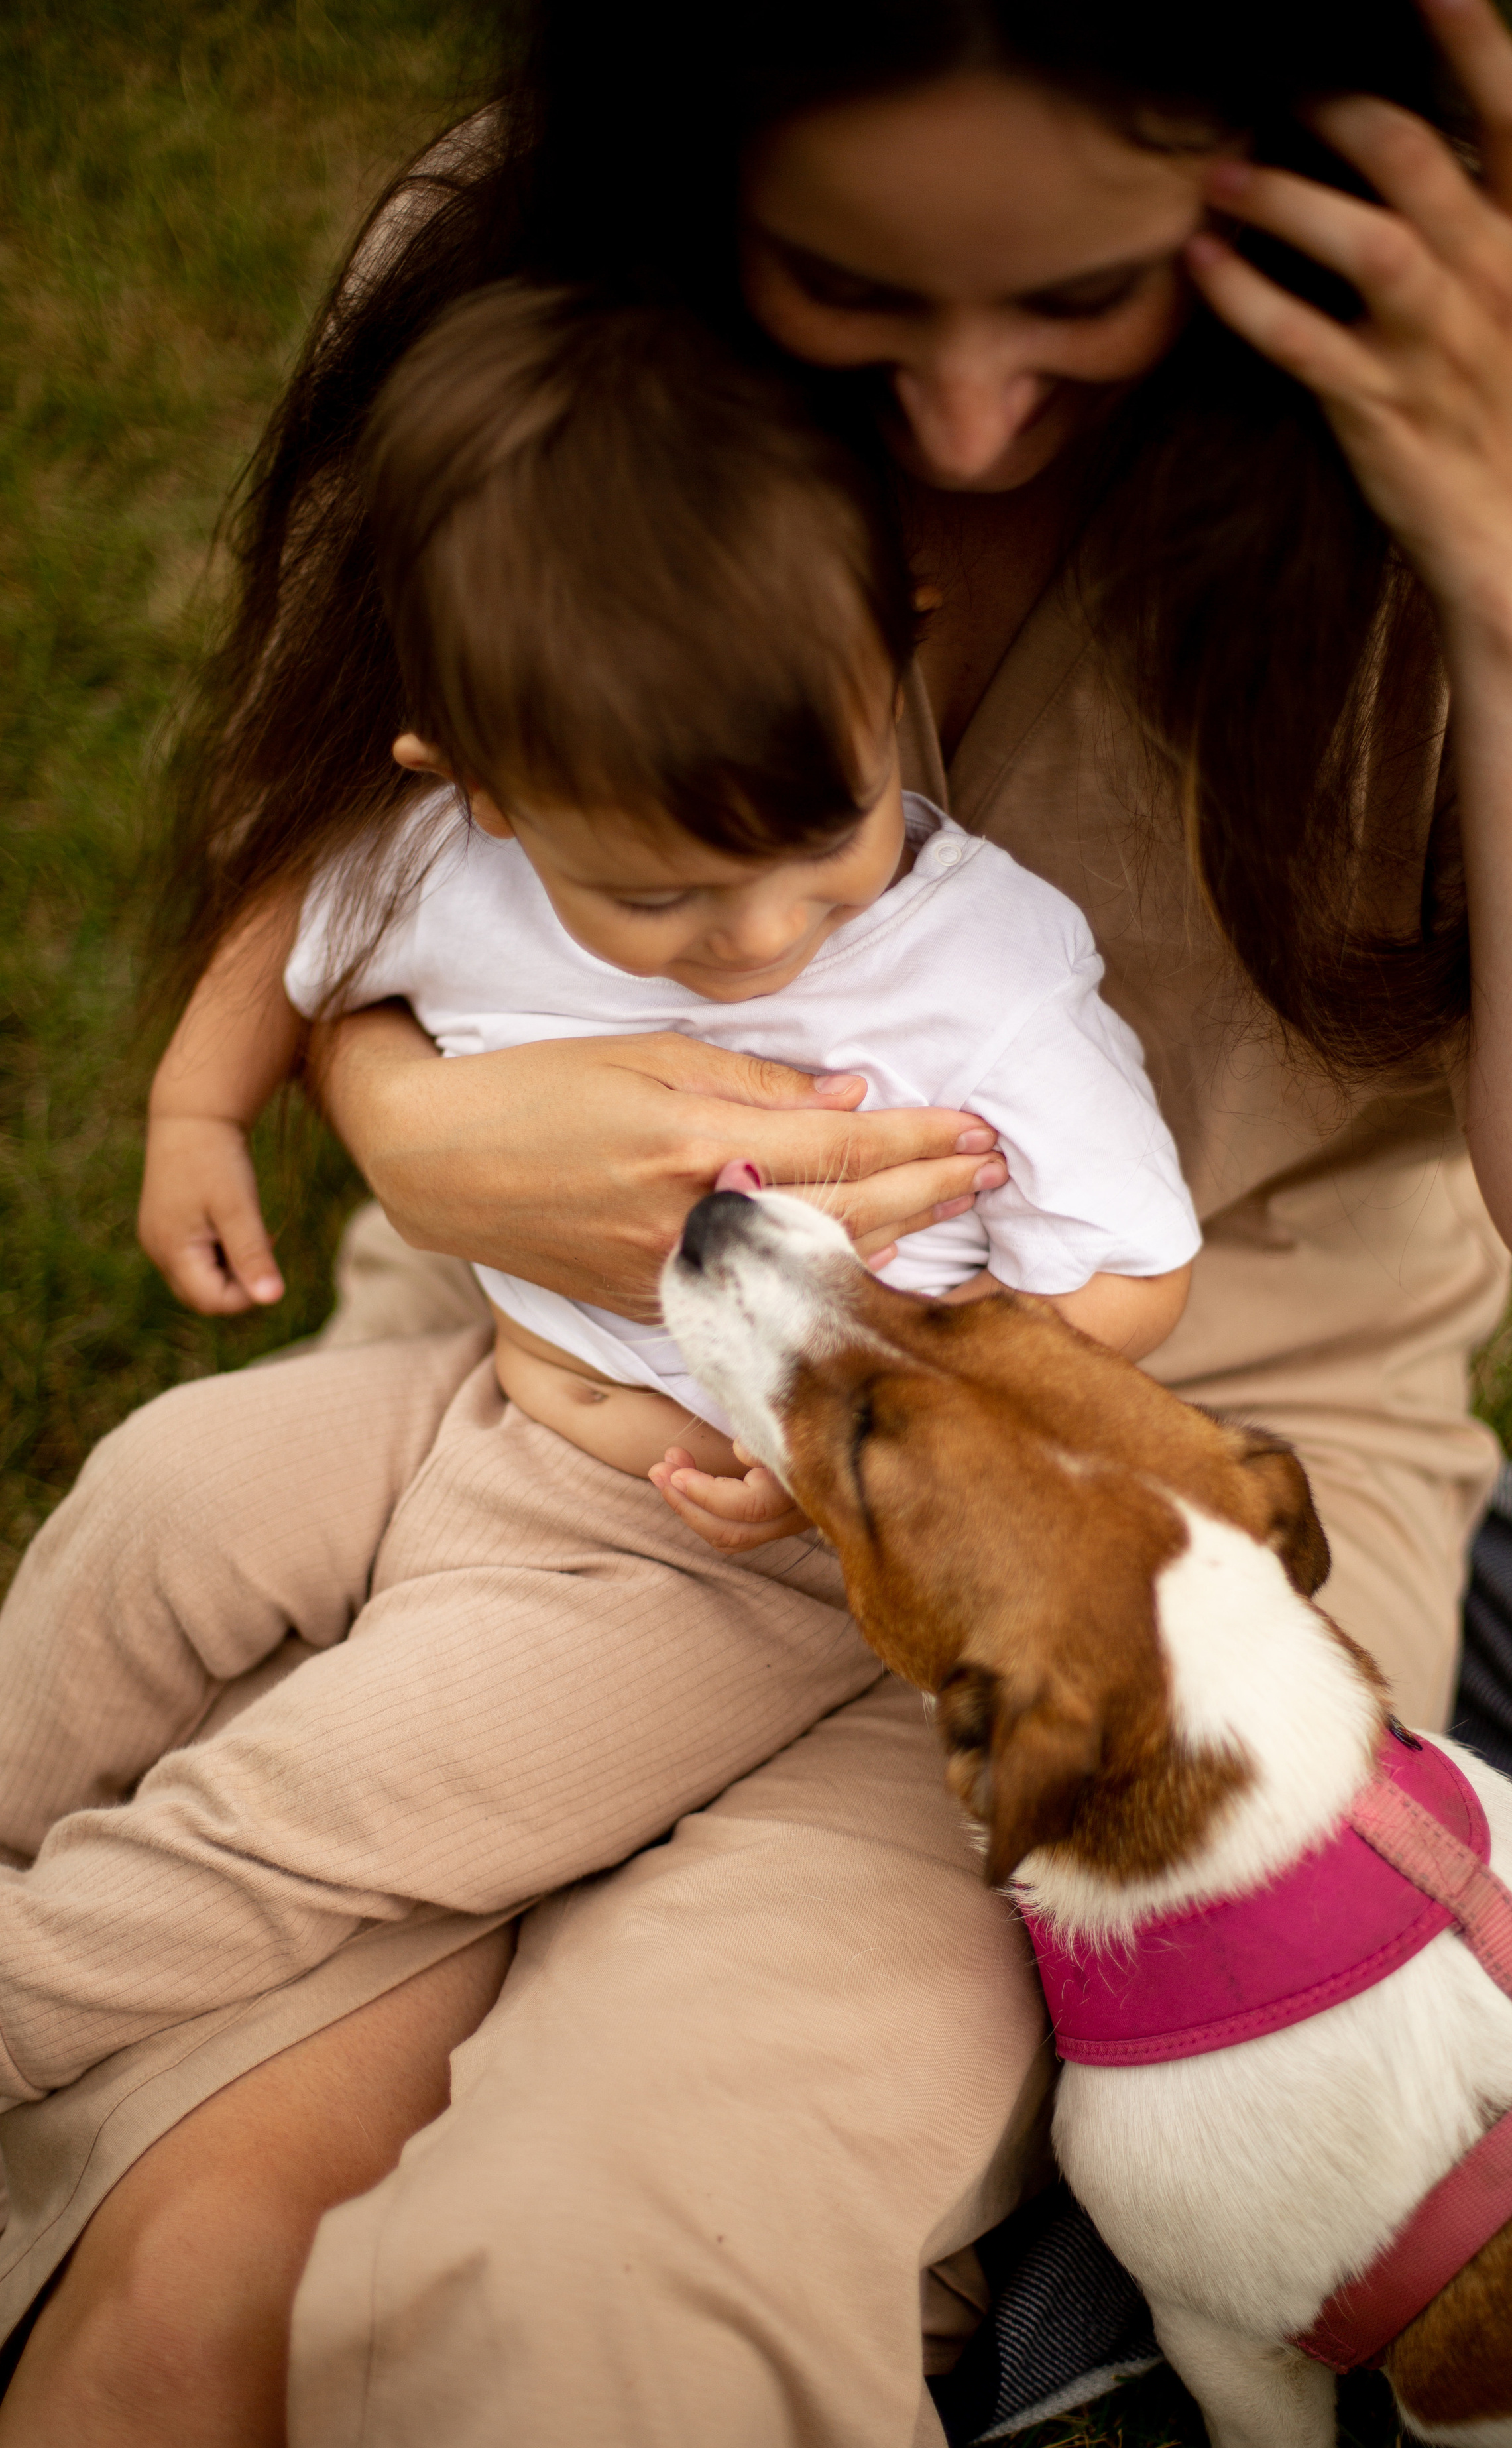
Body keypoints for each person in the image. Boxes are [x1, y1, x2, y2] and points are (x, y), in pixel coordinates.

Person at [4, 3, 1512, 2448]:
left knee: (589, 2289)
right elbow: (358, 859)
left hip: (1120, 1540)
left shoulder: (1497, 381)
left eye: (1087, 300)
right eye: (858, 297)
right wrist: (422, 1131)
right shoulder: (532, 314)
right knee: (188, 2307)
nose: (984, 418)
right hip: (542, 1372)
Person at [0, 281, 1198, 2110]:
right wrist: (195, 1109)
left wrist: (884, 1434)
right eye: (658, 903)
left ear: (897, 656)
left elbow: (1131, 1280)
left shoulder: (986, 974)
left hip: (734, 1560)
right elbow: (301, 911)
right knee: (163, 1493)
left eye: (824, 846)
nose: (762, 934)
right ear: (474, 787)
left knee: (335, 1790)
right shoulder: (458, 856)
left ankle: (31, 1995)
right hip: (474, 1386)